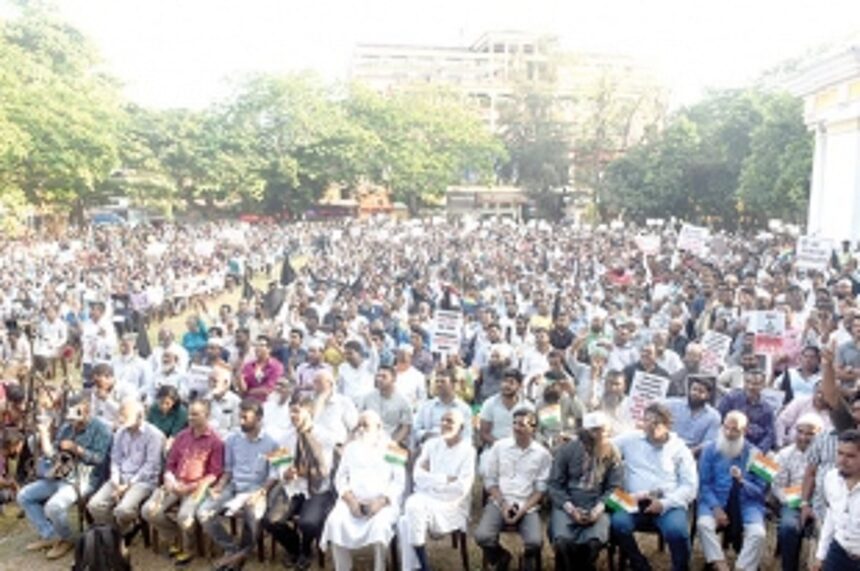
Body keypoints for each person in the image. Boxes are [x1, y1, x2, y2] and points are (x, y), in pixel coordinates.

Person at [19, 396, 112, 560]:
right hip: (60, 475)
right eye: (71, 418)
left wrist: (76, 448)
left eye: (76, 417)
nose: (73, 423)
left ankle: (66, 539)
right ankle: (51, 535)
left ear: (86, 411)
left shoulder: (101, 429)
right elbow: (52, 454)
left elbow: (99, 459)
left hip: (84, 478)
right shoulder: (67, 427)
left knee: (54, 506)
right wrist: (44, 434)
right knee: (24, 496)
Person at [610, 402, 697, 571]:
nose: (651, 426)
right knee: (618, 523)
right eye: (647, 421)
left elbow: (690, 486)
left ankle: (680, 567)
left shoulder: (680, 449)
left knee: (677, 532)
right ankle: (639, 563)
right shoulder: (630, 439)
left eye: (657, 422)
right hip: (633, 500)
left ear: (668, 424)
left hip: (667, 502)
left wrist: (664, 504)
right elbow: (606, 445)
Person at [197, 399, 279, 570]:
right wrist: (220, 486)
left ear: (259, 418)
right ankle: (233, 550)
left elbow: (275, 474)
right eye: (239, 417)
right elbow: (228, 470)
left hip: (257, 489)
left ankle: (234, 560)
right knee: (203, 512)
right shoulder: (232, 439)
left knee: (252, 512)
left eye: (245, 417)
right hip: (233, 487)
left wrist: (262, 492)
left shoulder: (273, 441)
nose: (241, 421)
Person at [320, 410, 406, 571]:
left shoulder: (394, 448)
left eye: (365, 425)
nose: (360, 429)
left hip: (382, 504)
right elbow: (340, 478)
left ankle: (380, 567)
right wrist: (351, 500)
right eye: (358, 425)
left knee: (380, 527)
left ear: (379, 426)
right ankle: (343, 568)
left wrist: (381, 501)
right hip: (352, 502)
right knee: (335, 522)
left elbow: (399, 482)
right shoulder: (350, 448)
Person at [141, 399, 224, 566]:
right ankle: (176, 537)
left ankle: (188, 549)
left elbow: (214, 474)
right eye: (189, 414)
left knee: (184, 516)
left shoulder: (216, 441)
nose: (190, 417)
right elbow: (170, 463)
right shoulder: (182, 436)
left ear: (207, 415)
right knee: (148, 511)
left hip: (197, 487)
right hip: (175, 483)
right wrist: (169, 479)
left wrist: (190, 487)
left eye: (195, 414)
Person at [397, 409, 476, 571]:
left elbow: (461, 488)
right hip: (426, 499)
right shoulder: (431, 445)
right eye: (443, 420)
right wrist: (445, 479)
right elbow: (417, 476)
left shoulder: (468, 451)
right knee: (407, 518)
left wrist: (430, 480)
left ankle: (420, 567)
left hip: (452, 505)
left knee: (410, 512)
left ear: (461, 428)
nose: (444, 424)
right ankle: (421, 566)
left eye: (450, 421)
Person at [263, 395, 335, 570]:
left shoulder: (325, 436)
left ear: (309, 411)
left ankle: (306, 550)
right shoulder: (285, 437)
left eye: (296, 411)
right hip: (293, 487)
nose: (292, 416)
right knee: (270, 521)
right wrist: (285, 472)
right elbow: (278, 464)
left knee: (308, 523)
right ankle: (295, 548)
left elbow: (325, 469)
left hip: (318, 489)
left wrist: (307, 471)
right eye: (290, 412)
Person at [474, 409, 552, 571]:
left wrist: (522, 510)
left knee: (535, 542)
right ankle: (501, 556)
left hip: (527, 505)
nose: (516, 427)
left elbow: (540, 490)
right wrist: (503, 505)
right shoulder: (499, 447)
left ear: (533, 428)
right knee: (482, 536)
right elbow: (490, 480)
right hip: (499, 502)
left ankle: (527, 559)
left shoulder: (542, 454)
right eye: (514, 423)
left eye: (522, 424)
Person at [548, 411, 623, 571]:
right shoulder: (566, 450)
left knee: (593, 542)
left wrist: (599, 509)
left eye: (603, 431)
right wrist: (571, 509)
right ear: (585, 432)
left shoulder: (613, 451)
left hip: (598, 502)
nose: (600, 436)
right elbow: (554, 484)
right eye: (595, 431)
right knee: (562, 541)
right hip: (567, 502)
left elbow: (616, 488)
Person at [696, 411, 769, 571]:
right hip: (715, 500)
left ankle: (743, 567)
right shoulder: (709, 449)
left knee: (758, 534)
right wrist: (716, 508)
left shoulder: (758, 454)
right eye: (726, 428)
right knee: (704, 524)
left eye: (735, 430)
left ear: (745, 431)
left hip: (747, 504)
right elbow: (704, 484)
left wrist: (743, 482)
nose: (729, 433)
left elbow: (762, 491)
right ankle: (720, 564)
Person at [87, 398, 164, 537]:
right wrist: (116, 479)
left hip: (142, 481)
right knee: (94, 505)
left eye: (126, 417)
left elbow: (151, 466)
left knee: (122, 510)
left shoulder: (154, 435)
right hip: (121, 476)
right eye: (121, 416)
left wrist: (128, 485)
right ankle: (118, 533)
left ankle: (123, 530)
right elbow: (115, 459)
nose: (122, 421)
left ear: (140, 416)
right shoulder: (120, 432)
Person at [774, 413, 823, 571]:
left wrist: (814, 503)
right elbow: (778, 487)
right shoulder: (784, 455)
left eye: (810, 434)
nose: (803, 437)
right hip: (793, 502)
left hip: (821, 502)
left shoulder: (827, 454)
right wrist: (801, 502)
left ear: (820, 434)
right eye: (800, 432)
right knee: (788, 527)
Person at [812, 429, 860, 571]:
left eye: (850, 456)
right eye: (840, 453)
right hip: (839, 550)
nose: (842, 461)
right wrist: (820, 555)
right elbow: (831, 517)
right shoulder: (831, 478)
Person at [718, 369, 776, 452]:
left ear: (763, 385)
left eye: (756, 384)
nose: (750, 387)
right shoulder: (731, 399)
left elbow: (770, 435)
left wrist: (759, 451)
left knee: (771, 460)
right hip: (730, 442)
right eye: (748, 382)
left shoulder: (767, 409)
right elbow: (719, 420)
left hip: (754, 448)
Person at [663, 375, 721, 457]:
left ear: (708, 395)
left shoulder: (713, 416)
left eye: (701, 391)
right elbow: (654, 405)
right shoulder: (674, 404)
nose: (695, 393)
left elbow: (709, 442)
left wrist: (689, 453)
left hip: (692, 453)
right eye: (694, 389)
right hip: (667, 447)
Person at [412, 368, 473, 445]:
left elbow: (467, 436)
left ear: (453, 385)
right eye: (437, 381)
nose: (439, 384)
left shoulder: (464, 409)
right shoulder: (426, 406)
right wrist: (426, 435)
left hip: (454, 447)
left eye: (443, 382)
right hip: (429, 445)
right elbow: (416, 430)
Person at [479, 368, 533, 449]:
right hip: (494, 447)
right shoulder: (490, 403)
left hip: (520, 448)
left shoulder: (528, 407)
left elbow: (530, 433)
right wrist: (502, 446)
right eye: (504, 381)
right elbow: (484, 433)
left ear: (520, 386)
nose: (506, 385)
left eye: (511, 382)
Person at [360, 365, 413, 447]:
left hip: (390, 442)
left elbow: (405, 427)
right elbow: (360, 420)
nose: (379, 379)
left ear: (394, 379)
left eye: (384, 377)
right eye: (378, 376)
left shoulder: (403, 401)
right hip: (367, 441)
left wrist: (393, 443)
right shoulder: (367, 397)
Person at [237, 335, 284, 403]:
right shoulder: (248, 365)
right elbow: (243, 389)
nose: (257, 348)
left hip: (268, 402)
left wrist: (248, 392)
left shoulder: (276, 366)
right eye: (256, 345)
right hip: (249, 402)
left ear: (269, 349)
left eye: (261, 345)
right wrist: (240, 377)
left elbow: (268, 389)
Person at [90, 363, 137, 427]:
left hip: (122, 427)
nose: (97, 386)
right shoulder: (97, 388)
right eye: (95, 382)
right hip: (104, 426)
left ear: (109, 378)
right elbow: (94, 413)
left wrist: (106, 399)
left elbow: (126, 414)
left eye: (99, 382)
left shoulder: (127, 389)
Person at [207, 364, 242, 438]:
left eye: (215, 381)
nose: (211, 384)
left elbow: (237, 429)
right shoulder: (205, 400)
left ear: (226, 383)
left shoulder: (236, 402)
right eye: (209, 380)